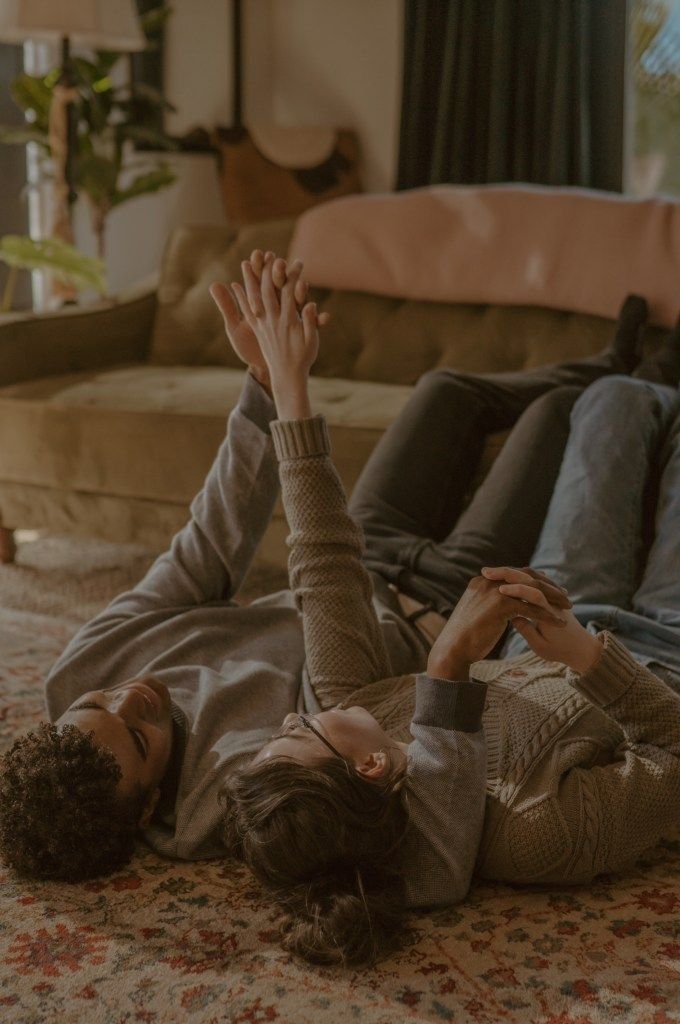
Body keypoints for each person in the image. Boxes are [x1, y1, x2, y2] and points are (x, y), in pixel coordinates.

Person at [0, 253, 663, 909]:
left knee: (445, 392)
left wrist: (263, 386)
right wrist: (292, 401)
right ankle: (639, 378)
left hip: (357, 557)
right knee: (553, 419)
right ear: (147, 808)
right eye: (141, 736)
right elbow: (426, 862)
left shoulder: (79, 667)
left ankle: (609, 365)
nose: (135, 696)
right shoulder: (236, 797)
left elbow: (204, 551)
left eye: (101, 701)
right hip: (440, 604)